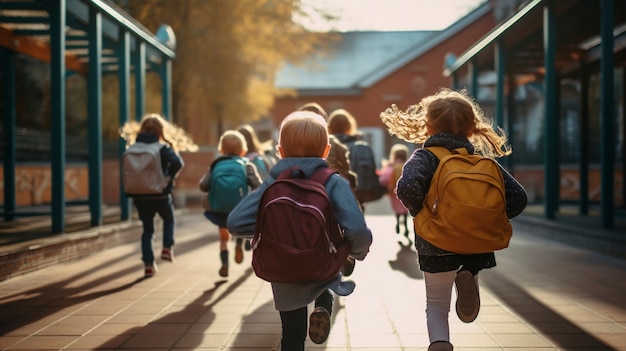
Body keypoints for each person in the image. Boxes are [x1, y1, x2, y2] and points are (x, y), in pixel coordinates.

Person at [380, 88, 528, 351]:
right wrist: (486, 220)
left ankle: (440, 344)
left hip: (436, 244)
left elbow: (407, 188)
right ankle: (469, 273)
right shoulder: (481, 161)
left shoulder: (425, 157)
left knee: (436, 305)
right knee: (467, 265)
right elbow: (518, 198)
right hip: (476, 245)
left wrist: (425, 215)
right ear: (471, 129)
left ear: (428, 125)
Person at [227, 110, 372, 350]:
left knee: (292, 336)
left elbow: (235, 222)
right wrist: (356, 252)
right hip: (321, 264)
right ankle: (323, 305)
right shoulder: (333, 182)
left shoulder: (273, 183)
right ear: (326, 151)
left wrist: (267, 231)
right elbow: (357, 229)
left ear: (280, 151)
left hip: (283, 270)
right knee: (326, 273)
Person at [299, 102, 358, 276]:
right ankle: (344, 257)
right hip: (332, 197)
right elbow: (346, 173)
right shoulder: (335, 145)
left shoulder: (294, 143)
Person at [198, 130, 262, 278]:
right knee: (239, 223)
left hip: (218, 209)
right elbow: (258, 186)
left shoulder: (215, 165)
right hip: (239, 208)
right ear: (243, 150)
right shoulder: (247, 165)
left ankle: (224, 264)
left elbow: (203, 186)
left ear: (221, 149)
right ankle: (239, 244)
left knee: (223, 238)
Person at [127, 114, 185, 278]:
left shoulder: (132, 147)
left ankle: (148, 265)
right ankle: (167, 247)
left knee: (147, 230)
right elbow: (178, 163)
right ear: (160, 131)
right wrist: (167, 177)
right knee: (169, 219)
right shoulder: (161, 148)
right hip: (159, 194)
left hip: (139, 195)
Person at [327, 108, 386, 210]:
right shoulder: (363, 147)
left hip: (334, 196)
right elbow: (373, 174)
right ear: (350, 126)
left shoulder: (327, 147)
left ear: (330, 127)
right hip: (360, 195)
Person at [378, 143, 410, 239]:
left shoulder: (390, 166)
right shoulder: (407, 165)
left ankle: (397, 221)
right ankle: (405, 224)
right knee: (404, 209)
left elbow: (383, 179)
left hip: (393, 193)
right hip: (405, 192)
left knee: (397, 209)